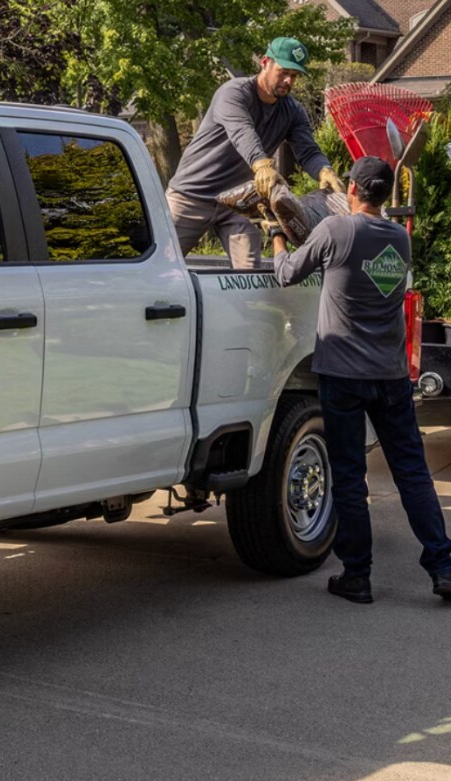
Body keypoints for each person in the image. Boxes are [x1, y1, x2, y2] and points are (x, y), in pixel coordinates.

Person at [267, 155, 451, 604]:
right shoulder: (398, 241)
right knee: (412, 473)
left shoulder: (336, 230)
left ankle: (358, 575)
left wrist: (274, 235)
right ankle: (444, 567)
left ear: (351, 188)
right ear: (384, 194)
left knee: (349, 475)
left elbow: (289, 271)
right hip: (389, 376)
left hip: (343, 375)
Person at [169, 37, 345, 269]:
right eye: (283, 72)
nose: (287, 81)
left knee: (249, 273)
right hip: (191, 196)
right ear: (265, 62)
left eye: (294, 76)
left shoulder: (292, 111)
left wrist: (324, 170)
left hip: (238, 204)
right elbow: (243, 131)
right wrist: (262, 165)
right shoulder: (234, 93)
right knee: (161, 264)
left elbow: (308, 150)